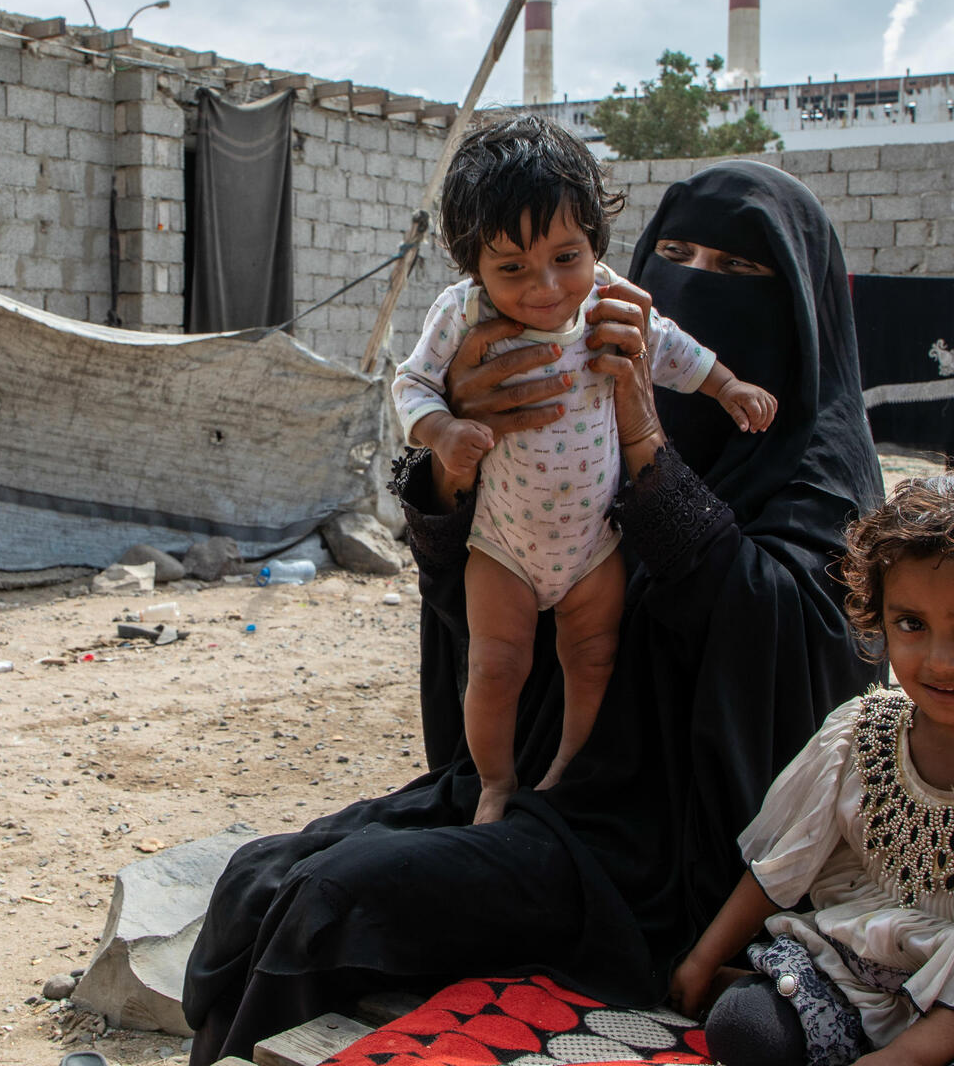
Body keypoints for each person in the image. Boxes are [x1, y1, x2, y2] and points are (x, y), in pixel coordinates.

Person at [183, 159, 883, 1066]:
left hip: (666, 852)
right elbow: (477, 608)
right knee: (258, 877)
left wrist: (647, 442)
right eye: (674, 255)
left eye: (737, 270)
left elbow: (787, 656)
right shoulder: (563, 392)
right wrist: (456, 459)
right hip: (534, 784)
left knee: (336, 901)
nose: (696, 281)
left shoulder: (818, 473)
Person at [393, 119, 776, 810]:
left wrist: (727, 387)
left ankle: (567, 769)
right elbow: (411, 384)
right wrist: (443, 429)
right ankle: (496, 782)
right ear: (473, 266)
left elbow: (673, 348)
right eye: (513, 268)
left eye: (566, 257)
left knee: (593, 655)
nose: (544, 286)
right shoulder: (462, 314)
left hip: (596, 543)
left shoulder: (609, 301)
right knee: (495, 666)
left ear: (596, 244)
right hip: (503, 545)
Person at [671, 475, 954, 1066]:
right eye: (911, 624)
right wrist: (701, 960)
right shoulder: (862, 737)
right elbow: (783, 867)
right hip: (856, 974)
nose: (940, 662)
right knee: (744, 1028)